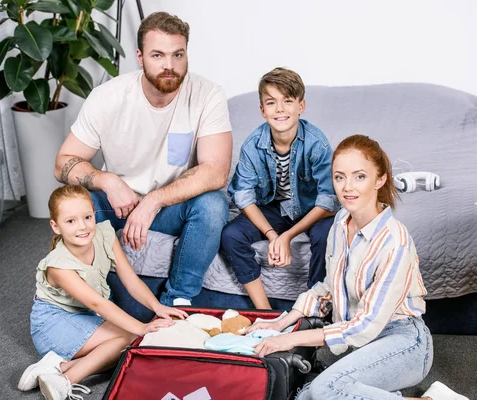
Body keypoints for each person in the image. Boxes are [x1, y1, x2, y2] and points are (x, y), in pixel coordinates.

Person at [247, 135, 466, 400]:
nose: (347, 187)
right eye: (340, 177)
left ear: (380, 180)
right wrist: (280, 324)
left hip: (404, 342)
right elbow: (328, 288)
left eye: (359, 176)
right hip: (364, 345)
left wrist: (291, 340)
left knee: (325, 389)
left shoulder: (395, 241)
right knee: (304, 397)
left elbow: (366, 326)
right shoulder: (340, 223)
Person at [54, 12, 232, 311]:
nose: (169, 66)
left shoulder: (207, 94)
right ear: (140, 56)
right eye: (157, 55)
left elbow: (216, 172)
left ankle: (178, 299)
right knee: (77, 203)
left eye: (178, 54)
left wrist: (154, 201)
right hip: (118, 203)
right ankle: (89, 297)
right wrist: (107, 181)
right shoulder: (108, 97)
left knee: (214, 204)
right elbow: (62, 164)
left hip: (169, 208)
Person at [18, 185, 187, 400]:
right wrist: (143, 327)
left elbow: (131, 280)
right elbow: (99, 304)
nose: (82, 227)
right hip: (52, 323)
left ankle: (58, 366)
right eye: (71, 221)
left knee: (131, 343)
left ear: (94, 215)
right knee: (130, 338)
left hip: (85, 315)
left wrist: (157, 307)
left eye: (87, 217)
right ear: (56, 226)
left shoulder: (105, 234)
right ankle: (64, 380)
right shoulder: (58, 265)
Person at [220, 67, 340, 309]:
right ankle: (264, 310)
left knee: (328, 235)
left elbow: (329, 200)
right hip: (273, 209)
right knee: (231, 235)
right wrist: (272, 234)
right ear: (263, 110)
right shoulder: (253, 145)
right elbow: (243, 197)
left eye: (287, 101)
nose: (280, 109)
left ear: (301, 106)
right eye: (271, 103)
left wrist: (288, 236)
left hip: (312, 209)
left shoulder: (316, 143)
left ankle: (314, 308)